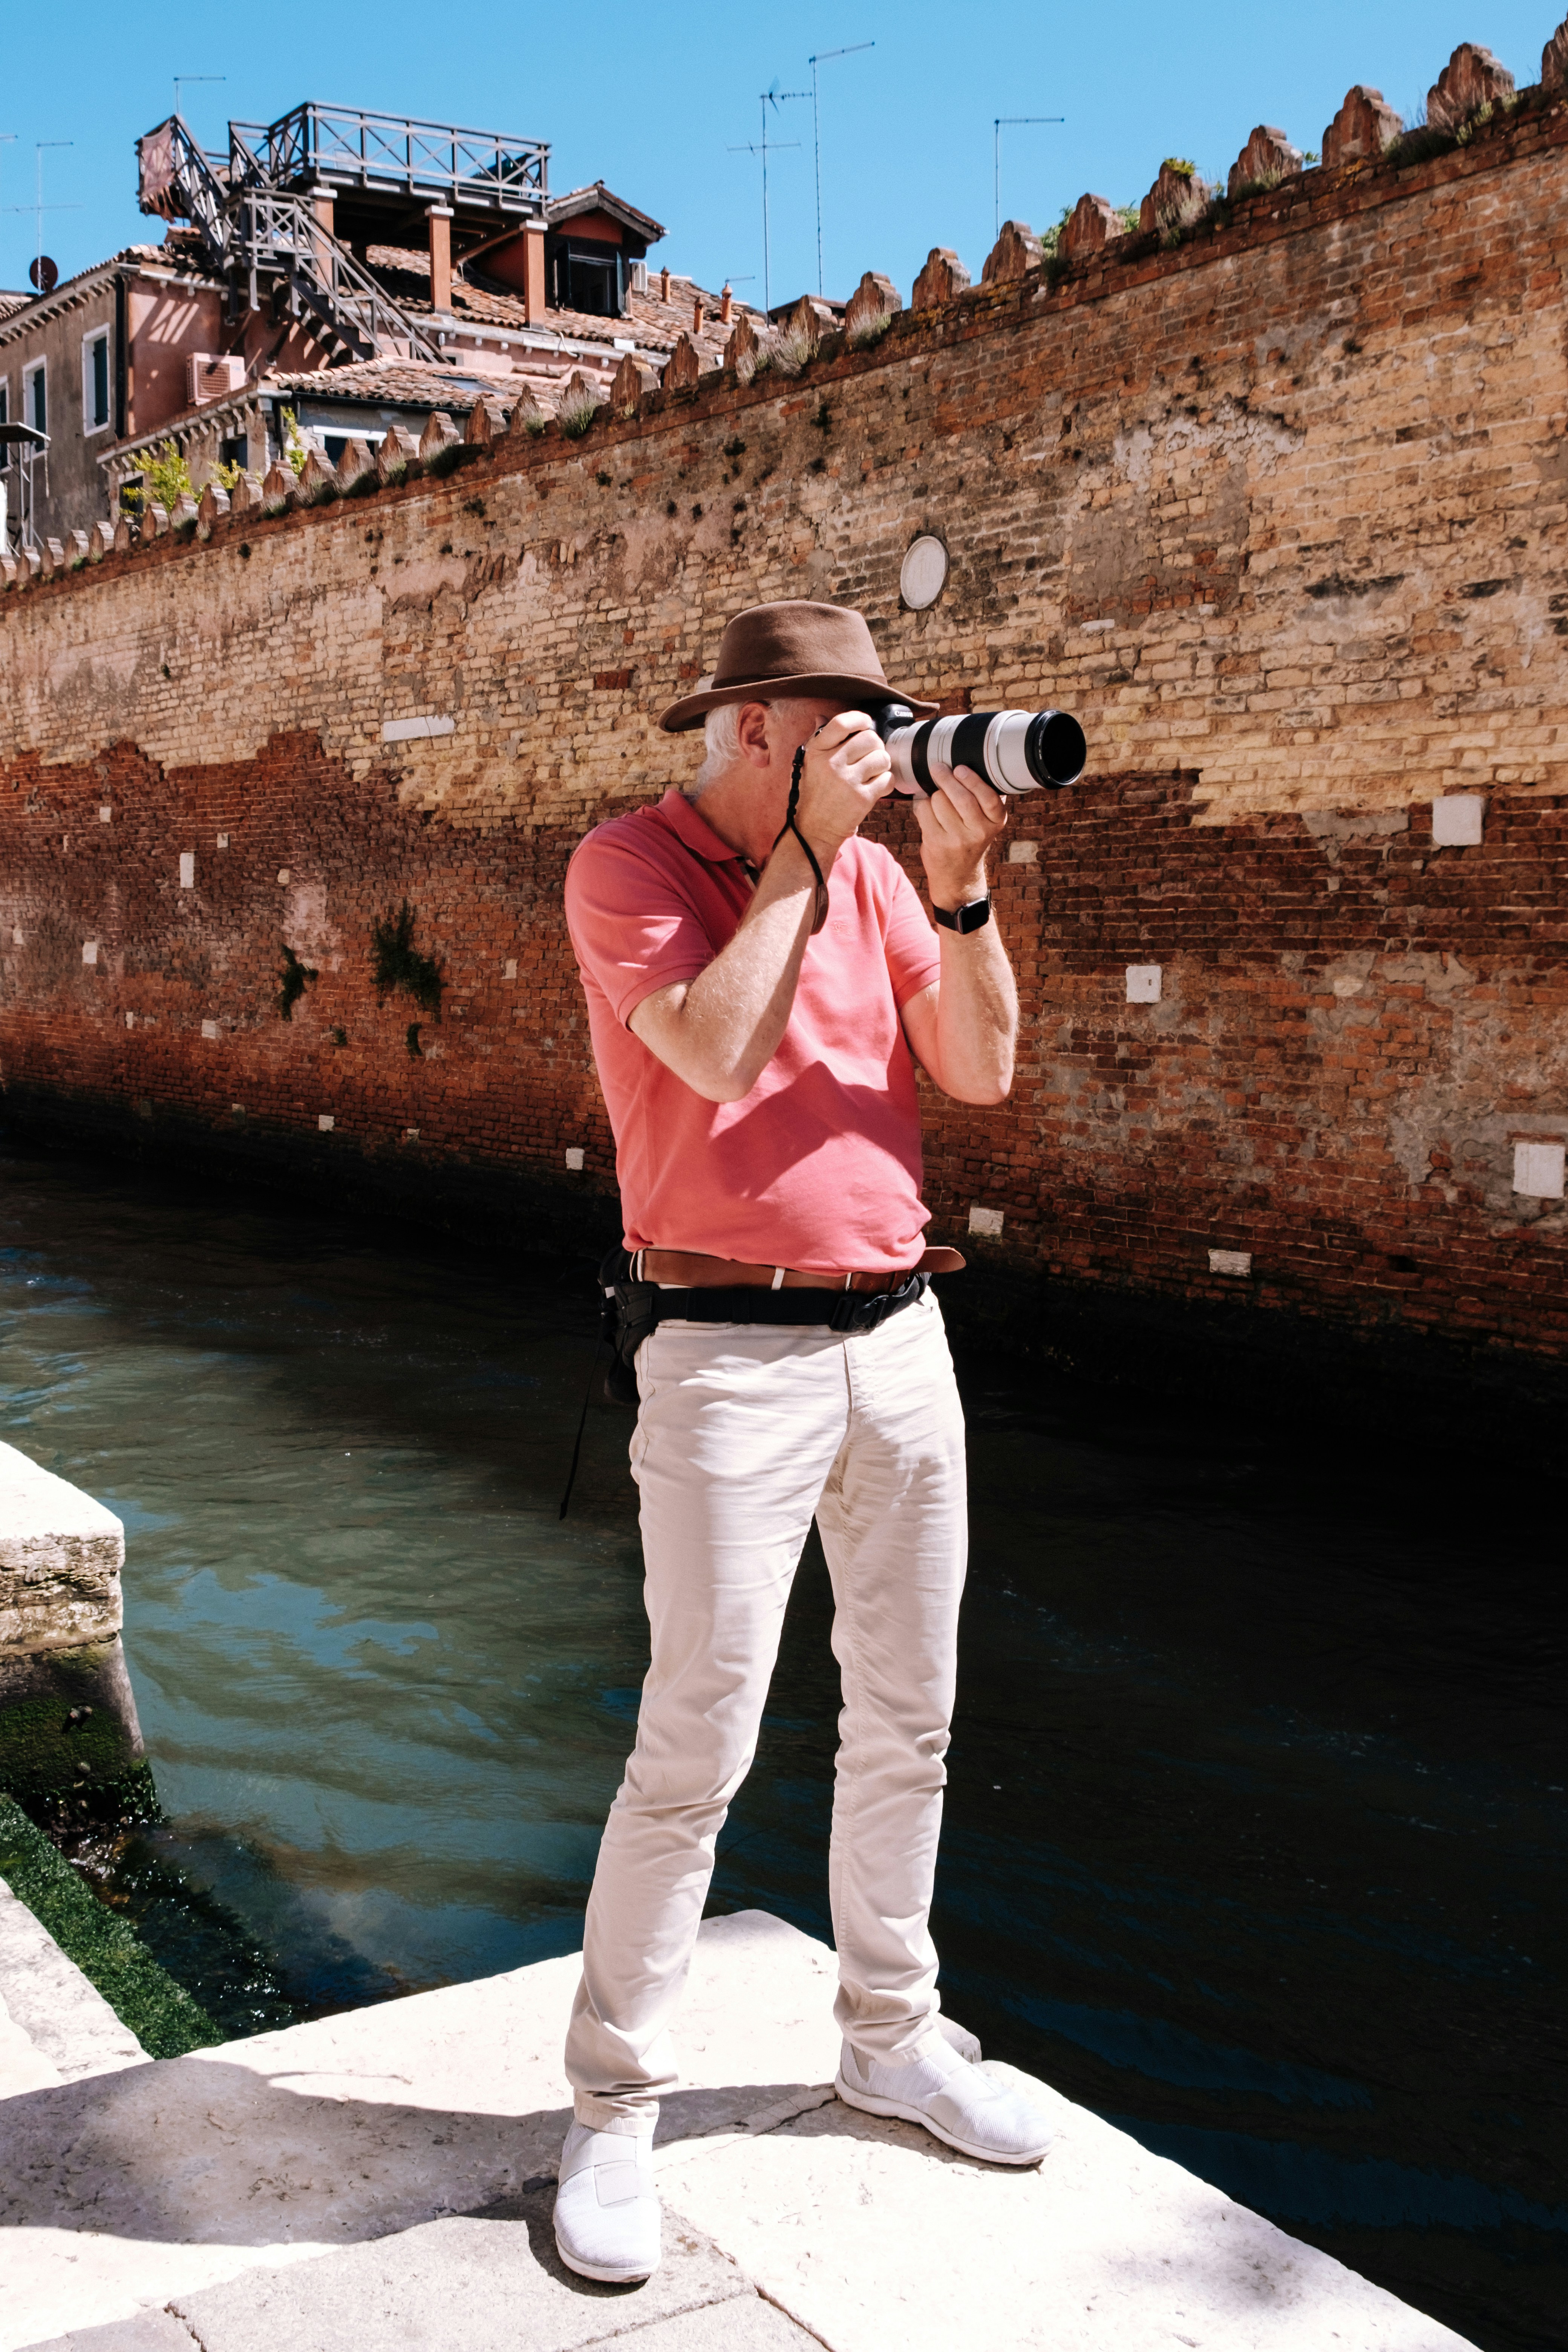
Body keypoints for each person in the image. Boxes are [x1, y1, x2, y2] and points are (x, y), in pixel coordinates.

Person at [554, 599, 1054, 2283]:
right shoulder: (625, 867)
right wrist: (807, 858)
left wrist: (954, 883)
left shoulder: (866, 874)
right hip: (721, 1350)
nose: (862, 751)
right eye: (835, 726)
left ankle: (889, 2035)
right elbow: (706, 1042)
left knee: (909, 1715)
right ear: (754, 729)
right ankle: (613, 2110)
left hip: (900, 1335)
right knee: (695, 1739)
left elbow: (977, 1069)